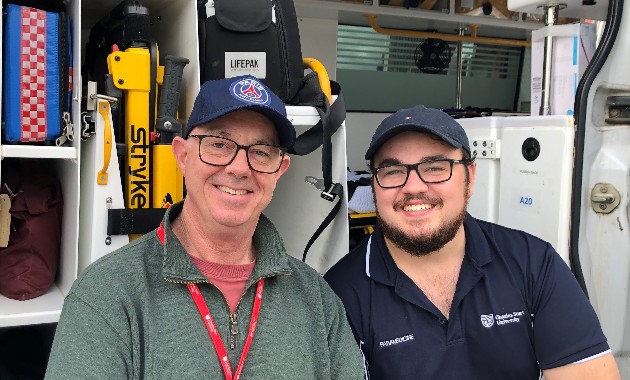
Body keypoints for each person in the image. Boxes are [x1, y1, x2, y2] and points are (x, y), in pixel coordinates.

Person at [46, 75, 364, 379]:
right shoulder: (107, 293)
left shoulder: (317, 299)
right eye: (218, 144)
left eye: (261, 152)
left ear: (279, 170)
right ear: (183, 156)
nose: (239, 167)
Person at [324, 105, 621, 379]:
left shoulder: (531, 263)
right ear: (375, 185)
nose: (413, 186)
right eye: (392, 171)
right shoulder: (338, 294)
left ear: (470, 177)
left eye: (436, 167)